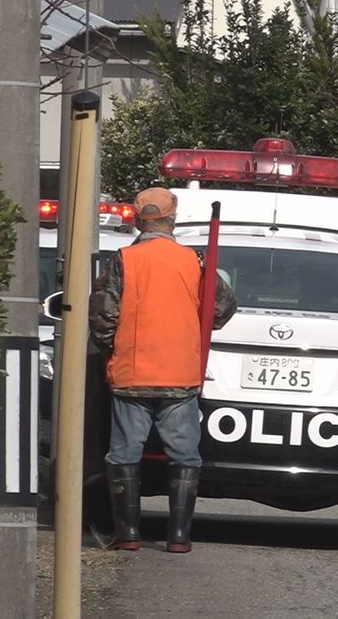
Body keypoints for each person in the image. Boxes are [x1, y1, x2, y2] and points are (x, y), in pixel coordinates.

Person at [91, 187, 238, 554]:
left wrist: (114, 345)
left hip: (132, 373)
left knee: (124, 454)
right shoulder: (194, 261)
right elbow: (221, 307)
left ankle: (127, 534)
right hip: (180, 374)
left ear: (139, 219)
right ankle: (179, 538)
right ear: (173, 218)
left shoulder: (123, 259)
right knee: (185, 456)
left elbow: (103, 316)